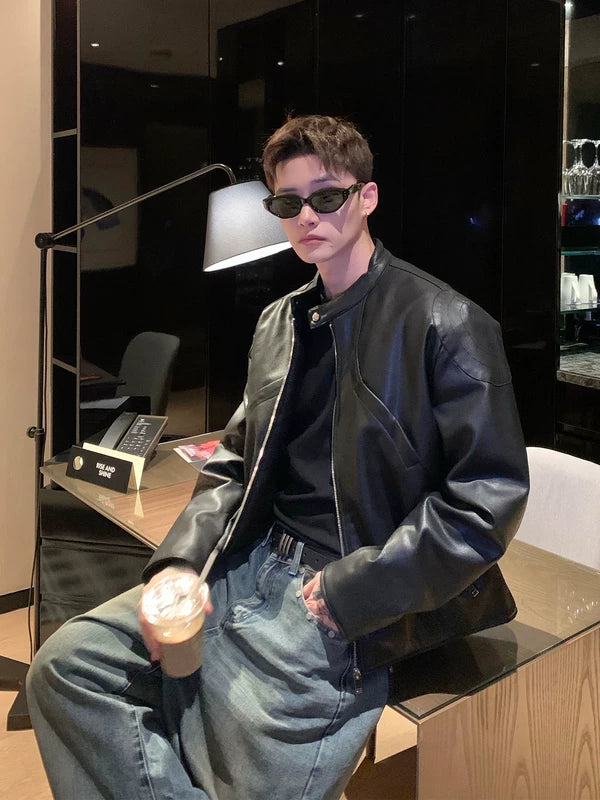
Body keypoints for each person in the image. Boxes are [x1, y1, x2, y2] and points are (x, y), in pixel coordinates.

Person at [27, 114, 529, 800]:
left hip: (343, 592)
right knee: (67, 668)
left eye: (327, 196)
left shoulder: (445, 323)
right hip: (249, 565)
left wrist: (353, 592)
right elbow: (237, 459)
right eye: (288, 203)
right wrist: (180, 563)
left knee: (233, 762)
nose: (307, 217)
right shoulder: (279, 322)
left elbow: (485, 501)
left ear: (367, 197)